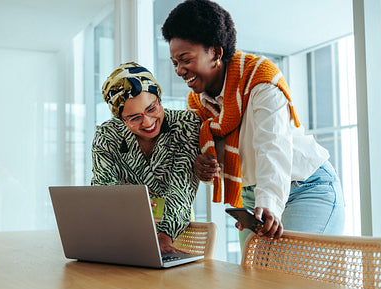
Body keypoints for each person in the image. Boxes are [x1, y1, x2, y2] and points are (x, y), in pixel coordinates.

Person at [161, 0, 345, 247]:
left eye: (186, 59)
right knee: (255, 280)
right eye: (175, 63)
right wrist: (204, 165)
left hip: (305, 186)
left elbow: (272, 146)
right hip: (251, 196)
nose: (180, 70)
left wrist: (268, 203)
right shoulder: (197, 103)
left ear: (215, 52)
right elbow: (214, 152)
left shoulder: (260, 80)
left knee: (287, 278)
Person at [92, 62, 201, 253]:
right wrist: (127, 198)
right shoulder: (107, 135)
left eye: (152, 108)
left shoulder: (186, 125)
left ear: (159, 98)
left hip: (175, 228)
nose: (148, 122)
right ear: (121, 119)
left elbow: (181, 190)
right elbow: (102, 189)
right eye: (134, 118)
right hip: (126, 230)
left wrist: (163, 238)